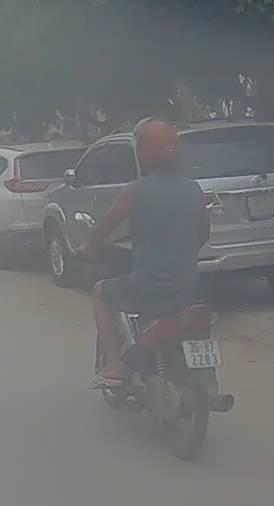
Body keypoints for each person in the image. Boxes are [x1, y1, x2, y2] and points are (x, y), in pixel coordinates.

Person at [86, 119, 209, 388]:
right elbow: (203, 235)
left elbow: (105, 225)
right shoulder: (194, 189)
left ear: (143, 153)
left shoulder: (136, 190)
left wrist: (90, 249)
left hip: (147, 287)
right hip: (189, 287)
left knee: (100, 292)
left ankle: (114, 366)